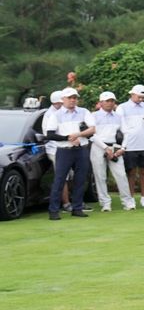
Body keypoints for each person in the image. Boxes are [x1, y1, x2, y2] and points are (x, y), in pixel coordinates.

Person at [45, 89, 94, 219]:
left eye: (74, 97)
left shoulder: (84, 112)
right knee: (59, 180)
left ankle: (77, 208)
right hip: (64, 151)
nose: (72, 100)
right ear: (63, 99)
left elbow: (92, 129)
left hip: (81, 149)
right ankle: (53, 210)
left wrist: (78, 134)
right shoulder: (56, 115)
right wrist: (67, 138)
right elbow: (50, 135)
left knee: (80, 180)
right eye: (69, 98)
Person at [91, 92, 134, 212]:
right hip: (98, 146)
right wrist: (105, 147)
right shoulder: (94, 116)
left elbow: (126, 132)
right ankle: (105, 203)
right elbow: (92, 135)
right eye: (107, 101)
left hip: (115, 147)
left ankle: (128, 202)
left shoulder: (118, 116)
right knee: (100, 176)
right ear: (101, 103)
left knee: (121, 175)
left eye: (112, 101)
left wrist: (123, 148)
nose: (110, 103)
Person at [119, 83, 144, 207]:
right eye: (139, 97)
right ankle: (131, 197)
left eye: (143, 97)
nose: (141, 99)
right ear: (132, 94)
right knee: (131, 172)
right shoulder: (123, 107)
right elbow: (121, 126)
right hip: (130, 144)